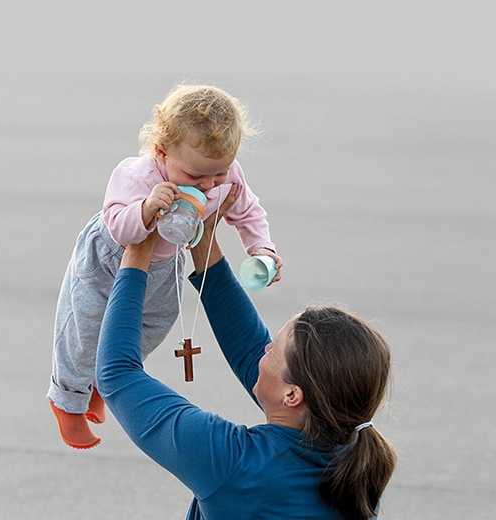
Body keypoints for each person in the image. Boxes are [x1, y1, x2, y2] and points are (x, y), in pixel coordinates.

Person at [96, 186, 397, 519]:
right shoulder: (354, 464)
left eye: (274, 350)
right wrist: (202, 238)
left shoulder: (234, 463)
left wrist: (138, 246)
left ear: (293, 395)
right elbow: (249, 347)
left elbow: (117, 373)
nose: (263, 349)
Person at [47, 84, 283, 449]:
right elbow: (117, 225)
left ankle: (96, 382)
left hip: (164, 264)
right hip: (109, 258)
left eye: (217, 175)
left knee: (155, 323)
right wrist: (144, 210)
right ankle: (67, 401)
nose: (208, 186)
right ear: (162, 152)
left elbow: (247, 211)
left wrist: (261, 248)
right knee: (85, 327)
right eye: (195, 177)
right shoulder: (138, 175)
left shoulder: (225, 173)